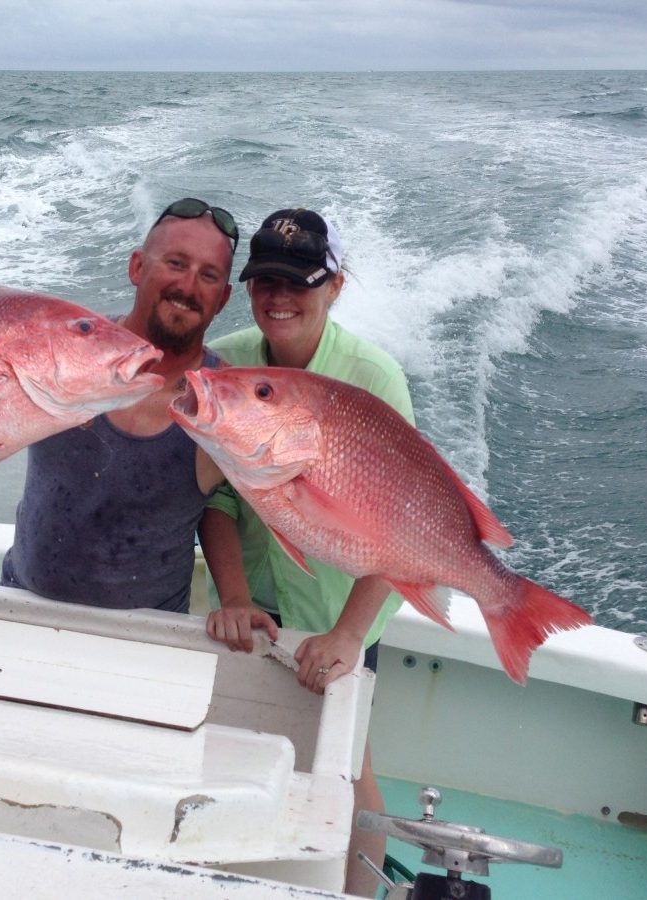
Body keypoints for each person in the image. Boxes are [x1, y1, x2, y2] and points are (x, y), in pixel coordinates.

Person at [198, 208, 415, 897]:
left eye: (299, 281)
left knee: (348, 765)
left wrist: (349, 635)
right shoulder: (226, 366)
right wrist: (233, 597)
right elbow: (217, 500)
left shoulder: (374, 379)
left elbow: (402, 520)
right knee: (233, 751)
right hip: (251, 596)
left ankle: (360, 891)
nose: (278, 296)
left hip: (336, 607)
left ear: (336, 286)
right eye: (264, 279)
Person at [1, 198, 236, 613]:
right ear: (136, 267)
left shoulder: (228, 405)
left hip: (145, 642)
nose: (188, 286)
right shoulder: (61, 352)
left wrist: (237, 601)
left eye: (209, 275)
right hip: (19, 605)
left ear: (223, 299)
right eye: (176, 264)